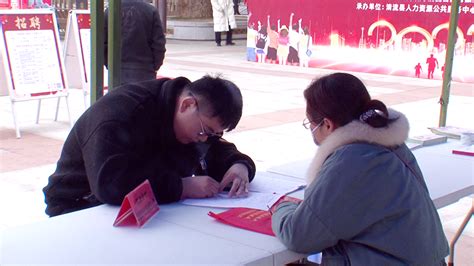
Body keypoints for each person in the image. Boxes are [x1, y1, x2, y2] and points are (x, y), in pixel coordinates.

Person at [271, 73, 449, 264]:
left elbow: (298, 235)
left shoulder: (351, 160)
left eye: (310, 123)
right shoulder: (391, 145)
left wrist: (282, 207)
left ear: (328, 124)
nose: (311, 130)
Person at [43, 75, 256, 217]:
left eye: (213, 134)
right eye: (205, 131)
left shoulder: (191, 119)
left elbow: (215, 147)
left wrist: (239, 166)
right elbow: (110, 184)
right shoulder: (121, 114)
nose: (204, 139)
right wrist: (182, 187)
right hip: (81, 207)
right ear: (187, 105)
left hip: (144, 214)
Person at [104, 0, 166, 85]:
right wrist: (155, 65)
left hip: (118, 69)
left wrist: (109, 64)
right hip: (145, 70)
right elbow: (159, 44)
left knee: (119, 97)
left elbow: (103, 43)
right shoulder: (151, 10)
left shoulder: (109, 11)